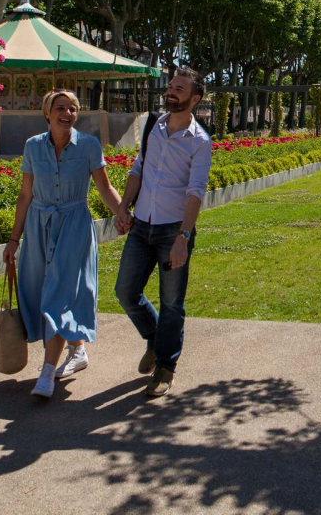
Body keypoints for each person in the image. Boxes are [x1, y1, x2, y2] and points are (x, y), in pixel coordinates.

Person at [3, 89, 123, 399]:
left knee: (56, 298)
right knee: (42, 291)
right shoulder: (32, 147)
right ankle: (78, 350)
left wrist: (125, 216)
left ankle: (46, 373)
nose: (67, 113)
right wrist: (13, 240)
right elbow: (25, 195)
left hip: (74, 228)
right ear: (47, 113)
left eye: (72, 109)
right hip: (39, 228)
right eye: (60, 108)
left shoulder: (88, 146)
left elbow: (105, 188)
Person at [115, 67, 212, 398]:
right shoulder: (153, 126)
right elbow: (138, 168)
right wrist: (123, 207)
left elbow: (196, 191)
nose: (171, 92)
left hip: (174, 229)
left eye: (179, 89)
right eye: (170, 86)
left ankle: (166, 366)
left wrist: (183, 237)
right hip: (142, 225)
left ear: (194, 99)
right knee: (126, 292)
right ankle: (156, 340)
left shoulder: (200, 142)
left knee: (172, 303)